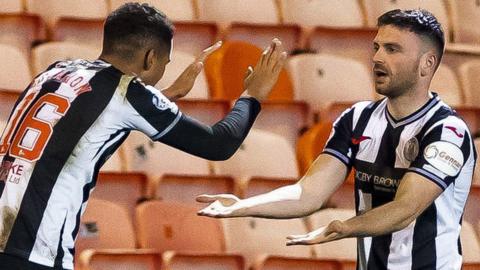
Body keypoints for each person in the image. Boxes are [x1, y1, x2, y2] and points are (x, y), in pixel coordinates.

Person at [0, 2, 287, 270]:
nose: (163, 70)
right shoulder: (129, 93)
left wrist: (167, 95)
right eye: (165, 62)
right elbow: (219, 145)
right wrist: (252, 96)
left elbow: (90, 122)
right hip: (34, 252)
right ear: (150, 58)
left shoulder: (56, 71)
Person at [198, 9, 476, 270]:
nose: (378, 58)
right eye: (376, 47)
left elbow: (406, 208)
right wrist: (242, 205)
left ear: (426, 64)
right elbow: (308, 193)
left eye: (393, 49)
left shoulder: (447, 131)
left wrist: (346, 227)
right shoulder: (357, 119)